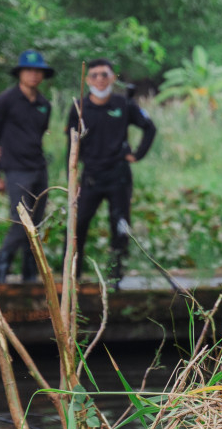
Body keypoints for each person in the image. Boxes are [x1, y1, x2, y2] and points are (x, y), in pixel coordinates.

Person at [65, 59, 157, 286]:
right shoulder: (79, 107)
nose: (100, 79)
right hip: (90, 177)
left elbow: (149, 127)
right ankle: (73, 276)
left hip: (119, 176)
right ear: (87, 80)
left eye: (104, 75)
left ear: (113, 78)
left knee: (120, 226)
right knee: (78, 224)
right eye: (94, 75)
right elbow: (71, 145)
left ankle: (115, 277)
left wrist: (137, 154)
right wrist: (72, 178)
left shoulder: (123, 104)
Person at [0, 49, 56, 283]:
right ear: (20, 73)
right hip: (16, 169)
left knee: (36, 223)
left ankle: (30, 274)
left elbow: (39, 134)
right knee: (20, 221)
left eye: (38, 71)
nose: (33, 75)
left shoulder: (44, 104)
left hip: (38, 168)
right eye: (29, 70)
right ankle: (0, 272)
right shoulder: (5, 100)